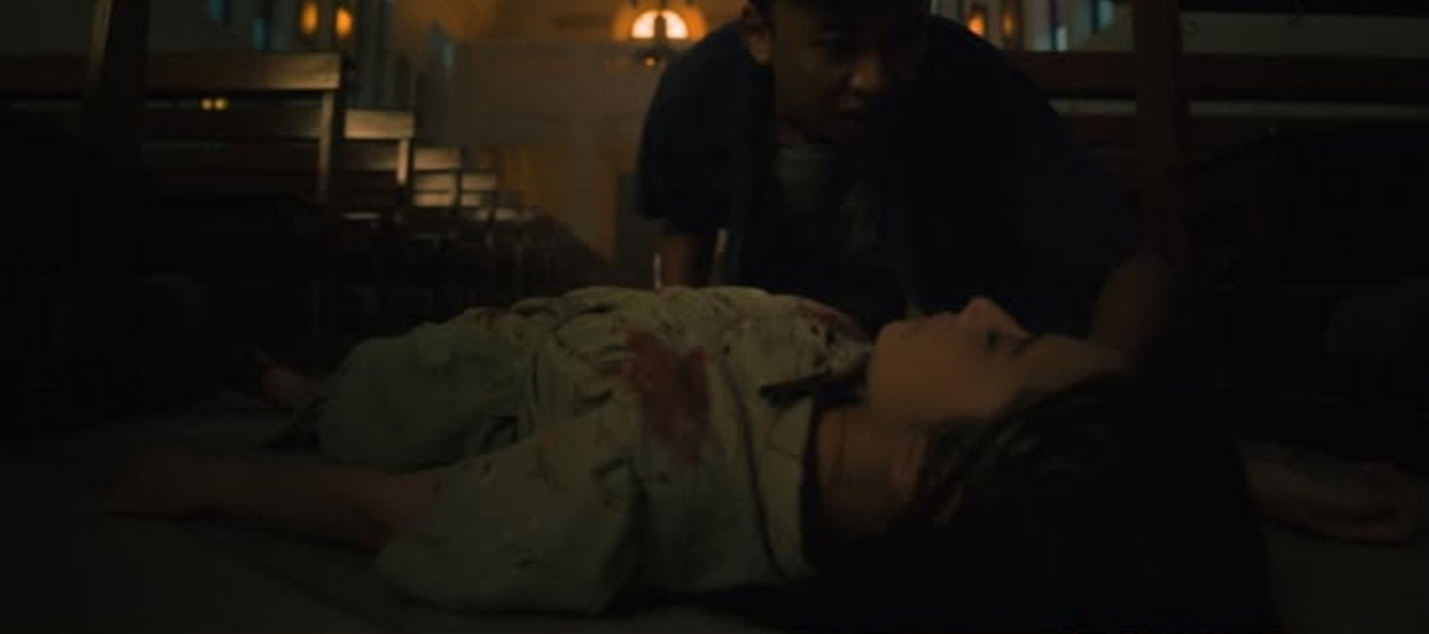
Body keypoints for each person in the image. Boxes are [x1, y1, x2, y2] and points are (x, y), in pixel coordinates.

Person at [110, 285, 1277, 631]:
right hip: (549, 328)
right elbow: (1082, 467)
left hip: (459, 381)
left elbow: (403, 507)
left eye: (1002, 343)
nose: (981, 306)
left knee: (357, 400)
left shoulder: (665, 477)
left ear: (930, 475)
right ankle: (296, 384)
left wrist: (216, 482)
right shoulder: (856, 377)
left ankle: (287, 389)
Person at [636, 0, 1137, 339]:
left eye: (902, 40)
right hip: (779, 340)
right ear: (760, 35)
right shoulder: (701, 92)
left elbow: (1128, 261)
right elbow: (686, 228)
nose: (873, 79)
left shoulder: (970, 78)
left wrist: (1101, 371)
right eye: (837, 46)